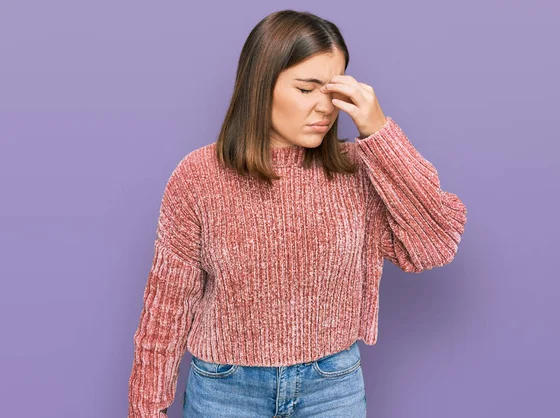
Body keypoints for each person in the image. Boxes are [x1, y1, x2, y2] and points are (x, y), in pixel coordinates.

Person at [128, 9, 468, 418]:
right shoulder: (199, 177)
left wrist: (379, 131)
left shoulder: (359, 169)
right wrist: (146, 408)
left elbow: (436, 243)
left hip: (332, 389)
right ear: (260, 85)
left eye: (333, 91)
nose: (324, 108)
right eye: (306, 89)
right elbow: (166, 310)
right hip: (226, 391)